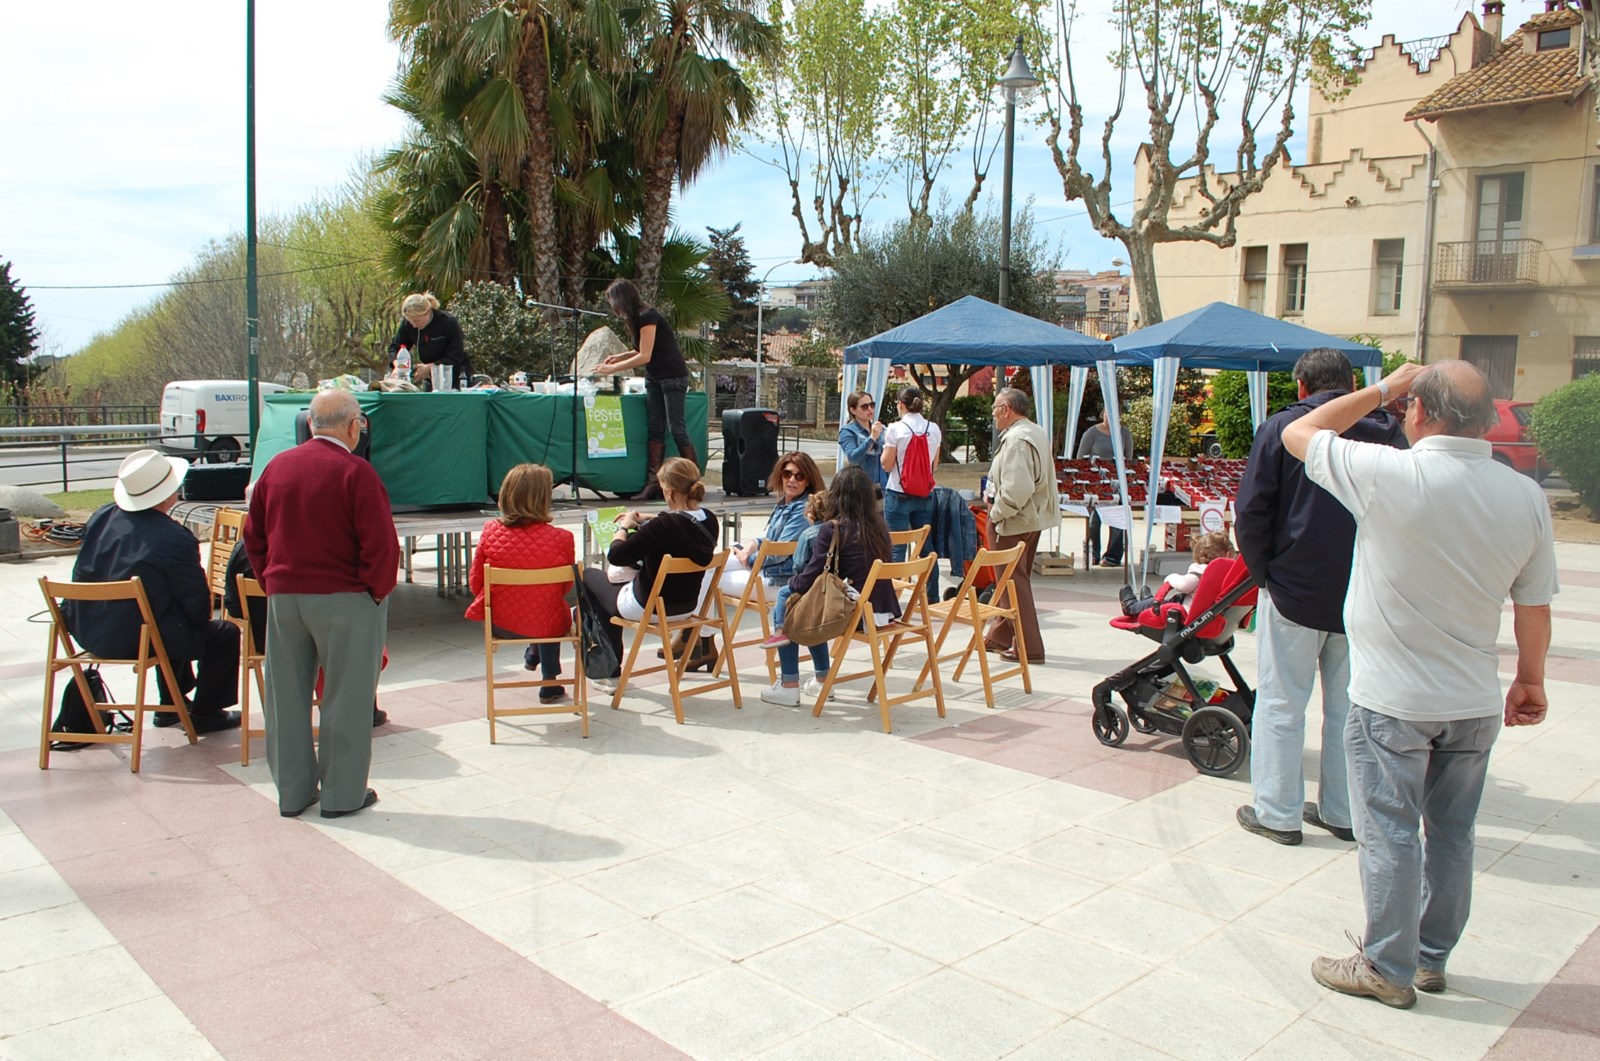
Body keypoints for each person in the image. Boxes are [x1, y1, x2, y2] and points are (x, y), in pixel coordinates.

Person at [1276, 361, 1556, 1009]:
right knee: (1453, 833)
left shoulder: (1390, 474)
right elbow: (1534, 605)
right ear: (1487, 421)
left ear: (1420, 412)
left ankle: (1386, 963)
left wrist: (1381, 388)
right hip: (1473, 700)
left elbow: (1301, 430)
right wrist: (1530, 679)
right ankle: (1430, 958)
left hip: (1392, 700)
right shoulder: (1525, 497)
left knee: (1391, 829)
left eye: (1407, 408)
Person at [1234, 349, 1409, 848]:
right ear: (1354, 384)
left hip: (1293, 587)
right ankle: (1342, 810)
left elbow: (1253, 510)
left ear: (1303, 388)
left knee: (1281, 702)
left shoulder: (1283, 430)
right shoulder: (1389, 433)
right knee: (1351, 708)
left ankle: (1277, 811)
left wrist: (1264, 574)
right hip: (1362, 592)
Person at [243, 390, 399, 820]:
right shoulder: (356, 471)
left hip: (285, 596)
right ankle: (342, 794)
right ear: (353, 426)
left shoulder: (276, 469)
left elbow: (252, 534)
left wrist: (271, 579)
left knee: (286, 698)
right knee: (346, 699)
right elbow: (381, 544)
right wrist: (376, 590)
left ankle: (293, 793)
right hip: (345, 597)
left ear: (310, 424)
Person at [64, 450, 241, 733]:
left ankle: (171, 703)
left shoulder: (102, 516)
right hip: (137, 637)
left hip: (87, 627)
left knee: (166, 614)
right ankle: (206, 712)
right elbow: (197, 607)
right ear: (170, 494)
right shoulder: (174, 538)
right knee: (221, 632)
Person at [761, 466, 899, 706]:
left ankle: (789, 685)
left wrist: (792, 583)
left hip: (857, 614)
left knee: (795, 601)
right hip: (882, 611)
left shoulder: (833, 528)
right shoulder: (879, 528)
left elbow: (811, 576)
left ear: (836, 495)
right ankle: (822, 680)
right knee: (814, 601)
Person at [585, 457, 718, 671]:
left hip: (648, 607)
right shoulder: (710, 520)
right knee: (613, 586)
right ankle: (606, 664)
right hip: (686, 607)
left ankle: (608, 668)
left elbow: (617, 555)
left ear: (669, 490)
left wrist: (624, 527)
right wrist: (647, 518)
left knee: (590, 578)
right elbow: (683, 523)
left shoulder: (662, 526)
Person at [465, 464, 577, 705]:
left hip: (501, 623)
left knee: (539, 607)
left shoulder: (490, 531)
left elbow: (476, 583)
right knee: (548, 607)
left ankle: (536, 654)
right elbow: (564, 587)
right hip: (546, 624)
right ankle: (549, 681)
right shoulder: (563, 538)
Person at [595, 279, 698, 501]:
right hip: (654, 378)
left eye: (614, 303)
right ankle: (654, 483)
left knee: (676, 427)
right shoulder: (638, 319)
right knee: (655, 430)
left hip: (672, 376)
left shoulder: (648, 316)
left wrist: (612, 368)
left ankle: (693, 481)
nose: (614, 309)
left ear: (622, 299)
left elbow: (645, 355)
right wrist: (620, 356)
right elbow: (641, 350)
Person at [980, 387, 1055, 664]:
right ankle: (1000, 636)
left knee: (1012, 583)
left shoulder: (1017, 440)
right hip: (1029, 518)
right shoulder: (1034, 431)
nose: (993, 414)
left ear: (1007, 410)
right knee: (1011, 581)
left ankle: (1028, 647)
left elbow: (1016, 489)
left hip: (1013, 521)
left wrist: (996, 513)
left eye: (995, 408)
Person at [719, 451, 821, 597]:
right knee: (710, 566)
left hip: (780, 580)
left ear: (808, 481)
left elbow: (778, 553)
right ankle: (696, 617)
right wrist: (751, 546)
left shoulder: (804, 509)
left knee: (711, 576)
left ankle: (691, 616)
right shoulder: (785, 503)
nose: (792, 480)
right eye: (787, 474)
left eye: (799, 476)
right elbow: (771, 540)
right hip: (768, 569)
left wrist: (748, 557)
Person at [880, 385, 942, 598]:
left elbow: (887, 465)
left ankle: (893, 599)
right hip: (925, 495)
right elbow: (934, 465)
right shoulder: (933, 428)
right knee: (926, 546)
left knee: (897, 547)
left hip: (898, 492)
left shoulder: (895, 429)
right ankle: (932, 596)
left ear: (900, 404)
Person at [1118, 530, 1236, 616]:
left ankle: (1132, 607)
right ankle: (1147, 601)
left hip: (1188, 613)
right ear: (1228, 555)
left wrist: (1171, 577)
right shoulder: (1230, 573)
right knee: (1167, 601)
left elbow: (1184, 585)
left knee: (1164, 604)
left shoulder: (1202, 571)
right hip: (1210, 614)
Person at [1077, 407, 1133, 567]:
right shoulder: (1092, 433)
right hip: (1097, 481)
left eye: (1115, 414)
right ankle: (1093, 553)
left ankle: (1112, 557)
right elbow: (1080, 457)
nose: (1111, 417)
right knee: (1094, 520)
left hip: (1117, 479)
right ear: (1103, 414)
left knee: (1116, 519)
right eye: (1108, 413)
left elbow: (1128, 458)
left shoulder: (1124, 434)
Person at [388, 292, 471, 390]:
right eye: (410, 322)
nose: (414, 325)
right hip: (430, 379)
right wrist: (398, 366)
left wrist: (430, 367)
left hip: (456, 377)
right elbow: (395, 347)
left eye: (416, 321)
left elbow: (455, 356)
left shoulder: (448, 322)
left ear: (427, 312)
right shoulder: (408, 324)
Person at [838, 391, 889, 491]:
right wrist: (872, 438)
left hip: (884, 487)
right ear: (853, 410)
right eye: (864, 406)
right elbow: (853, 458)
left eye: (872, 405)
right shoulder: (848, 431)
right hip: (861, 488)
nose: (870, 409)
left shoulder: (880, 428)